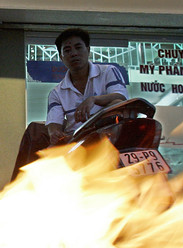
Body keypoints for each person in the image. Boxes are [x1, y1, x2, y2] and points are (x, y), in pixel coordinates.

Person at [11, 28, 128, 180]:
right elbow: (54, 123)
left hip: (110, 137)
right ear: (62, 57)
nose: (73, 53)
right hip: (78, 143)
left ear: (88, 50)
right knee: (35, 131)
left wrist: (93, 100)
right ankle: (21, 188)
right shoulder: (57, 93)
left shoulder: (108, 72)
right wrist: (54, 134)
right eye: (67, 50)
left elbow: (121, 98)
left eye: (78, 47)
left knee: (116, 104)